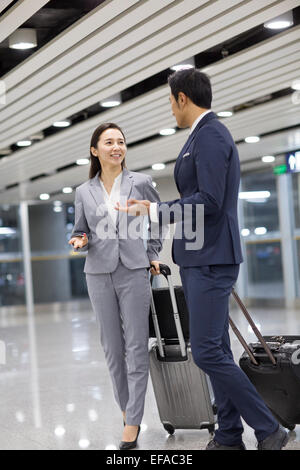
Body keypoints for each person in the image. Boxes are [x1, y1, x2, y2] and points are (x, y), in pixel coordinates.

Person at [116, 69, 288, 450]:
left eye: (170, 101)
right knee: (217, 347)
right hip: (200, 257)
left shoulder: (211, 136)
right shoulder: (202, 137)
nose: (171, 110)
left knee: (207, 351)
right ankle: (228, 434)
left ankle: (268, 429)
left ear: (182, 98)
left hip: (212, 257)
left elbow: (209, 202)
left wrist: (157, 211)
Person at [69, 122, 162, 450]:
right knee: (112, 349)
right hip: (97, 272)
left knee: (137, 347)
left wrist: (152, 253)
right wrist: (79, 238)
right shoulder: (84, 191)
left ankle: (132, 423)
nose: (116, 147)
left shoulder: (142, 182)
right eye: (108, 142)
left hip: (134, 269)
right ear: (95, 150)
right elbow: (81, 228)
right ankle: (127, 410)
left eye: (120, 141)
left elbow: (155, 219)